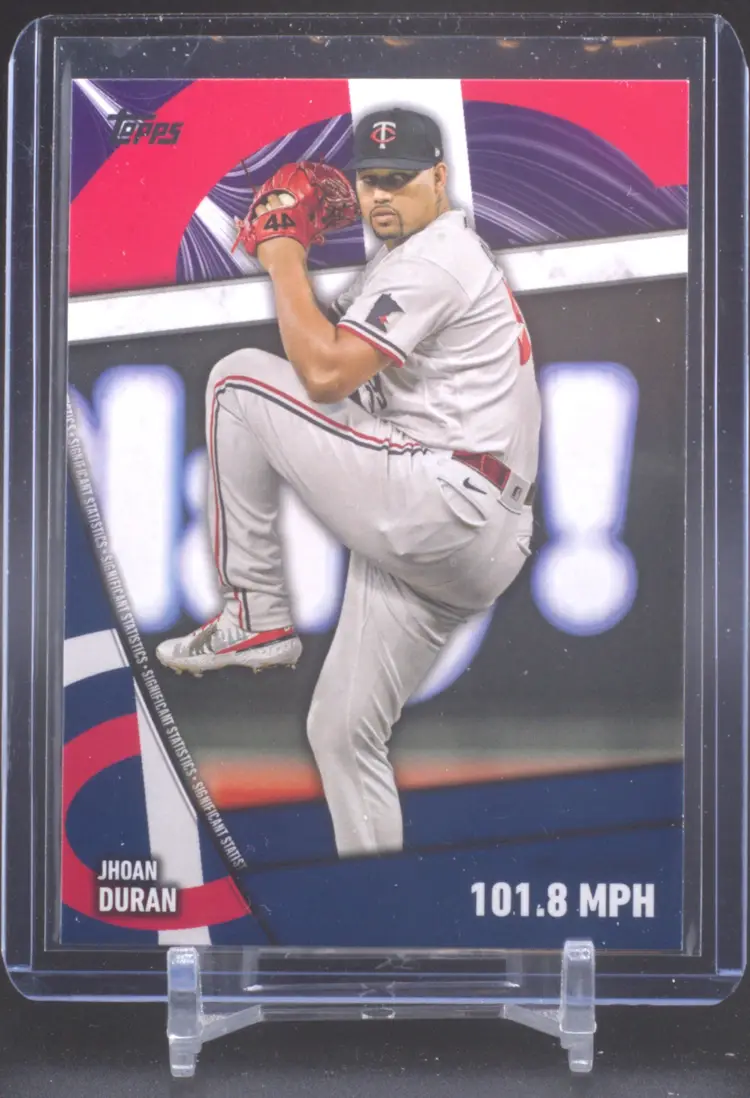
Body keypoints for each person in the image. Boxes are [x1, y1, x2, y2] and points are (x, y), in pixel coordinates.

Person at [157, 107, 542, 858]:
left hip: (444, 500)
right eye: (370, 181)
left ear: (439, 178)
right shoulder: (414, 264)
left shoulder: (436, 258)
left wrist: (282, 253)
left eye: (399, 179)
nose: (380, 195)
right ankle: (379, 902)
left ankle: (255, 612)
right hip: (476, 533)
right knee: (340, 730)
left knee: (237, 382)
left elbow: (325, 373)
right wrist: (291, 254)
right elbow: (336, 363)